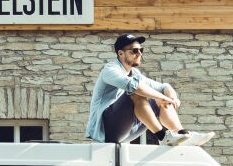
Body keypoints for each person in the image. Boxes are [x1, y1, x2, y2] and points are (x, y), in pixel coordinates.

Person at [86, 33, 215, 147]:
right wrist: (162, 97)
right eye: (134, 51)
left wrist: (171, 98)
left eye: (141, 50)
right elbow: (134, 87)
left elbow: (164, 87)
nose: (139, 54)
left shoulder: (135, 73)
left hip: (128, 131)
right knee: (138, 93)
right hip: (106, 131)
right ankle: (163, 137)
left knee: (158, 96)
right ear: (121, 53)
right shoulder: (110, 69)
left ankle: (182, 134)